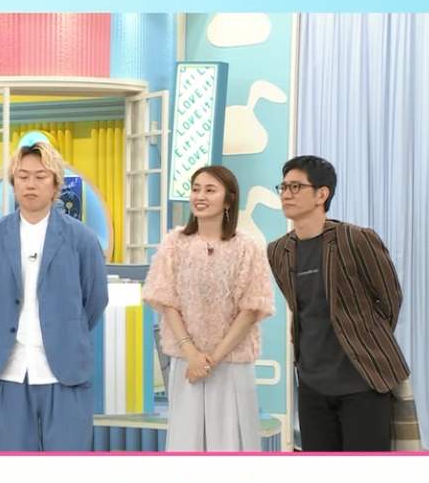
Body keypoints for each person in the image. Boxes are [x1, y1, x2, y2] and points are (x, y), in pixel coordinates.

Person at [0, 142, 108, 451]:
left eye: (40, 176)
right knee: (11, 466)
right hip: (11, 369)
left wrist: (65, 329)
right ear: (13, 183)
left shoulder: (82, 238)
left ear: (56, 184)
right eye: (22, 177)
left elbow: (95, 299)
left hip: (65, 372)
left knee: (67, 467)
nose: (30, 184)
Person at [267, 155, 409, 452]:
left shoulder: (355, 239)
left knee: (365, 472)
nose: (286, 194)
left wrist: (366, 338)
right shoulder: (278, 251)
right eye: (283, 187)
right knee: (322, 472)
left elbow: (390, 299)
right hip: (312, 385)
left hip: (363, 381)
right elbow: (299, 309)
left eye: (296, 186)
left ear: (322, 194)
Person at [143, 165, 274, 451]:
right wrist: (192, 354)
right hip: (186, 362)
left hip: (232, 362)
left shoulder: (247, 247)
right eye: (195, 189)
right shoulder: (174, 243)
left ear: (228, 200)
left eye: (210, 190)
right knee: (186, 442)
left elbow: (251, 308)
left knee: (231, 443)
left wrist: (211, 360)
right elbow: (166, 300)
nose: (200, 196)